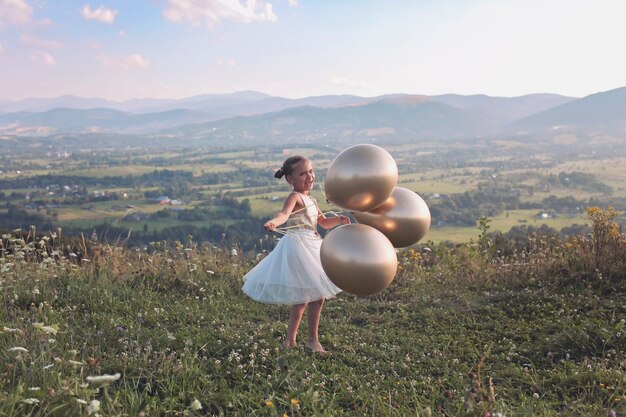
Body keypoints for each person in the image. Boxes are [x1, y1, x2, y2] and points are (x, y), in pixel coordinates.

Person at [242, 155, 350, 353]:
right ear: (290, 179)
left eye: (311, 171)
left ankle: (309, 340)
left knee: (317, 297)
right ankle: (294, 340)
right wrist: (274, 222)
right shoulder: (295, 197)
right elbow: (284, 214)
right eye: (302, 174)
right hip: (299, 246)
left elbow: (322, 222)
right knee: (303, 298)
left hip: (313, 245)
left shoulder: (311, 199)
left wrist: (339, 220)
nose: (309, 177)